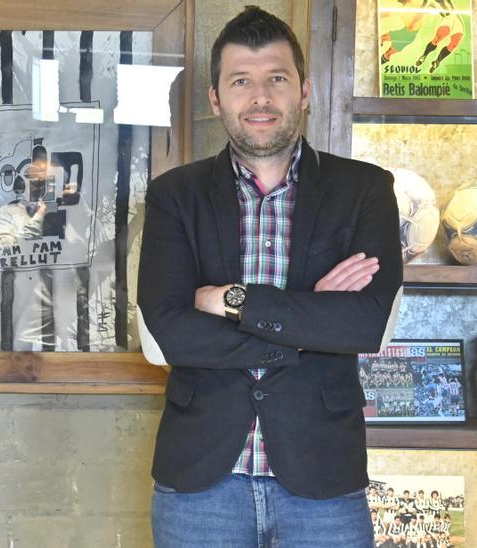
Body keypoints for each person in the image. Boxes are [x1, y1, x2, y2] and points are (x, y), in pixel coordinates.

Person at [138, 6, 402, 547]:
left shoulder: (366, 190)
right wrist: (306, 327)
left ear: (303, 90)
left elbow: (363, 325)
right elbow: (170, 329)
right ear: (216, 99)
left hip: (322, 482)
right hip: (200, 486)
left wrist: (231, 300)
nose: (260, 97)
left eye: (276, 78)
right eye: (241, 82)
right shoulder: (174, 197)